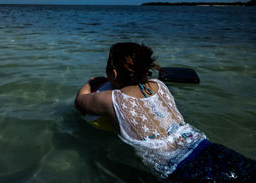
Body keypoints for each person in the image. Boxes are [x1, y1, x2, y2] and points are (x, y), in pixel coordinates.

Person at [75, 42, 256, 182]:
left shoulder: (110, 98)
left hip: (179, 168)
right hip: (209, 149)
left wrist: (92, 82)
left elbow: (80, 102)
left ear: (113, 74)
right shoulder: (159, 85)